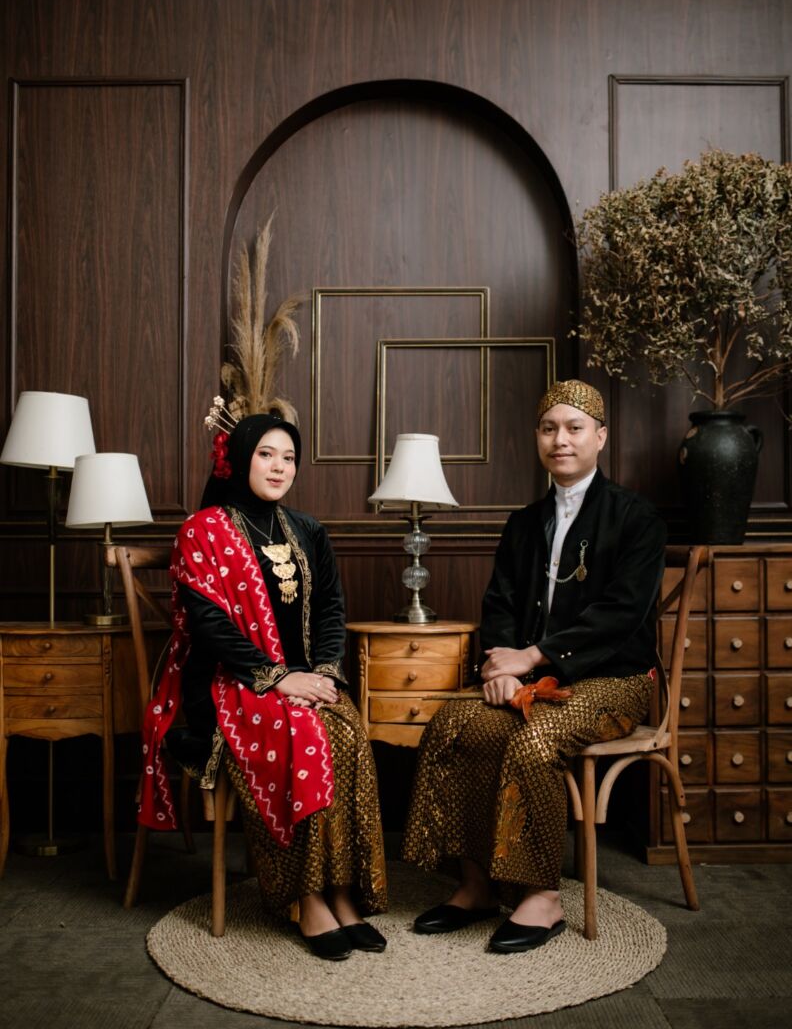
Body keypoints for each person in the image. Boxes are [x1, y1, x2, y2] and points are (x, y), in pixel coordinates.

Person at [402, 379, 666, 953]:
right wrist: (501, 669)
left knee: (534, 741)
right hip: (527, 679)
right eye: (549, 429)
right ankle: (476, 884)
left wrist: (533, 657)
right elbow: (498, 603)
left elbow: (621, 615)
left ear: (600, 437)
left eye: (574, 428)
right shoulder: (524, 522)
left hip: (614, 681)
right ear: (537, 438)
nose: (560, 439)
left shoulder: (636, 516)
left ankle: (542, 894)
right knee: (457, 725)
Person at [138, 413, 387, 961]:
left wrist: (324, 672)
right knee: (304, 734)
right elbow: (208, 625)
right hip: (228, 683)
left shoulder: (308, 529)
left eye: (289, 458)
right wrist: (278, 677)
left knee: (346, 732)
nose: (279, 467)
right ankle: (305, 897)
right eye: (266, 455)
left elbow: (331, 609)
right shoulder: (202, 531)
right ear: (239, 459)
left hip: (306, 681)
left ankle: (341, 892)